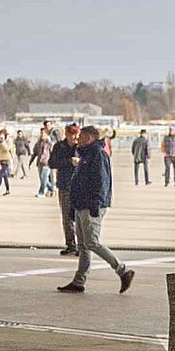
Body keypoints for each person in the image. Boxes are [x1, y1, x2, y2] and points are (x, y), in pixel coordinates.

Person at [57, 125, 135, 294]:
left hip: (90, 205)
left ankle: (122, 270)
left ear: (91, 137)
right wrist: (73, 206)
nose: (79, 138)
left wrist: (96, 204)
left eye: (83, 136)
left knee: (92, 242)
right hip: (80, 204)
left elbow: (102, 182)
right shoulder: (86, 154)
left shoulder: (97, 155)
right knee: (83, 245)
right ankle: (79, 281)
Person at [49, 123, 82, 255]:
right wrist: (69, 162)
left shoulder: (81, 147)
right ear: (67, 134)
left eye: (76, 134)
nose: (75, 137)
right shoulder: (59, 147)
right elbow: (52, 163)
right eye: (72, 134)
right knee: (67, 217)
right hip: (64, 185)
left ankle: (82, 245)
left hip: (79, 185)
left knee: (80, 217)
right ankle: (71, 244)